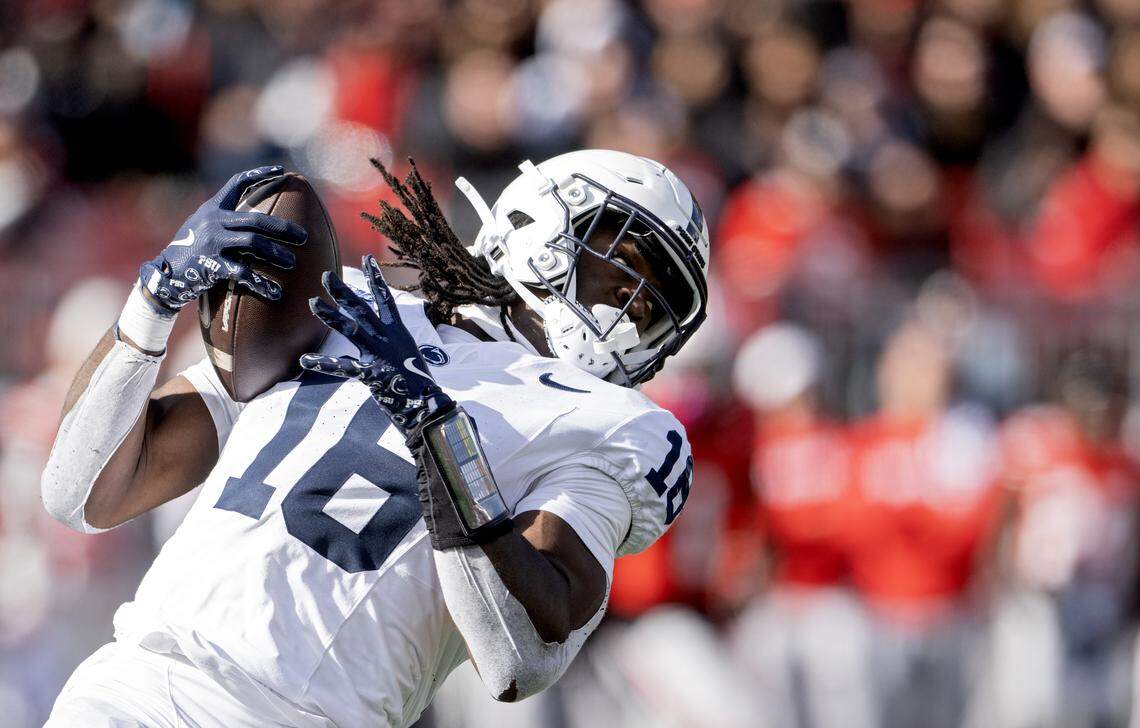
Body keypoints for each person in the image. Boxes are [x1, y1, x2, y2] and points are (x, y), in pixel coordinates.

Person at [39, 150, 711, 727]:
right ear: (542, 222)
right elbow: (83, 493)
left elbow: (521, 659)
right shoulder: (349, 307)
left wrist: (440, 439)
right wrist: (153, 302)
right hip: (131, 683)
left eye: (658, 302)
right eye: (626, 263)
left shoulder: (610, 425)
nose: (636, 304)